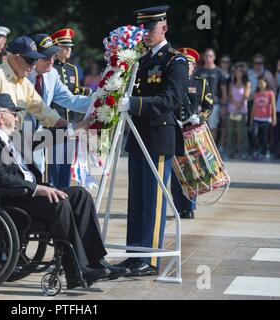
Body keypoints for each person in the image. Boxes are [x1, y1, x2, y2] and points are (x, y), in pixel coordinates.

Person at [0, 93, 124, 289]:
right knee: (58, 202)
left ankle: (96, 260)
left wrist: (79, 127)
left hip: (25, 195)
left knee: (80, 195)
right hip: (10, 201)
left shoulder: (10, 137)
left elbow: (44, 138)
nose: (17, 118)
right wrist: (36, 188)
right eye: (14, 113)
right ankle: (77, 270)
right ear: (1, 117)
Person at [116, 6, 188, 276]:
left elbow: (172, 99)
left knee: (154, 201)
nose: (145, 34)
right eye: (142, 29)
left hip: (158, 137)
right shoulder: (142, 60)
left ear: (164, 29)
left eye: (150, 29)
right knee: (136, 201)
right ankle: (135, 254)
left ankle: (151, 258)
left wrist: (134, 103)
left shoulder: (175, 61)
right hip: (138, 138)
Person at [28, 33, 91, 188]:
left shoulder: (52, 74)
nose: (51, 61)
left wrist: (99, 101)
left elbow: (70, 100)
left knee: (43, 180)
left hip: (39, 136)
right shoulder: (22, 73)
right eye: (46, 57)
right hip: (18, 136)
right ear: (34, 57)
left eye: (53, 56)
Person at [0, 36, 73, 130]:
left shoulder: (23, 82)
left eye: (36, 60)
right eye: (31, 60)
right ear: (17, 58)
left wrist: (70, 126)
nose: (33, 66)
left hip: (14, 142)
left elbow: (42, 110)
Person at [171, 47, 213, 219]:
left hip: (192, 131)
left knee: (191, 169)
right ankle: (178, 206)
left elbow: (209, 105)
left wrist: (200, 118)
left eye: (190, 64)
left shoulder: (200, 83)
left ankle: (189, 207)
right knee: (176, 171)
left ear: (194, 66)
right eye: (185, 63)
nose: (187, 66)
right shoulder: (172, 80)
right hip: (174, 129)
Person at [50, 28, 92, 123]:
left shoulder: (73, 69)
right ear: (55, 47)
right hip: (54, 118)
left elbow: (74, 92)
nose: (68, 49)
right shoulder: (50, 68)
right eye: (64, 46)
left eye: (70, 46)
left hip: (70, 118)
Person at [194, 48, 227, 141]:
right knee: (200, 127)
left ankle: (211, 150)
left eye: (211, 56)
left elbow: (224, 90)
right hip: (200, 104)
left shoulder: (219, 72)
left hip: (214, 104)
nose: (208, 58)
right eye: (207, 56)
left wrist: (224, 106)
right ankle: (202, 150)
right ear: (204, 57)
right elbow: (194, 88)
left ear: (214, 57)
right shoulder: (199, 71)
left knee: (213, 127)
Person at [226, 62, 251, 159]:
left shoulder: (247, 84)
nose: (237, 73)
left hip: (242, 111)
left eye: (239, 72)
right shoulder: (232, 83)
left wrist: (239, 104)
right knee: (231, 132)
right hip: (231, 111)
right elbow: (230, 95)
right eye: (236, 72)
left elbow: (246, 95)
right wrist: (235, 104)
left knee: (242, 133)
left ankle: (243, 151)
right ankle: (230, 151)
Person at [250, 77, 277, 159]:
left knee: (264, 137)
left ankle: (264, 152)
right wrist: (251, 119)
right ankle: (257, 149)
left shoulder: (270, 93)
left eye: (262, 83)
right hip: (256, 118)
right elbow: (254, 107)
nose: (260, 85)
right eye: (259, 83)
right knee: (254, 134)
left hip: (266, 118)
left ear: (266, 83)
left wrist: (274, 118)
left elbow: (273, 106)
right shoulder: (256, 94)